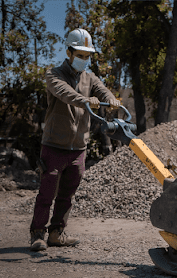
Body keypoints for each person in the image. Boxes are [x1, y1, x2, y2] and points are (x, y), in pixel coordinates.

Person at [29, 29, 120, 251]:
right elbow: (66, 94)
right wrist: (86, 100)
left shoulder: (90, 78)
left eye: (87, 56)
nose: (84, 60)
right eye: (80, 55)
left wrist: (111, 99)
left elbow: (102, 90)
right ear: (69, 52)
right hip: (54, 145)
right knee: (46, 193)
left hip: (78, 147)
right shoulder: (54, 75)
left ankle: (57, 233)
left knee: (67, 195)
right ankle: (37, 234)